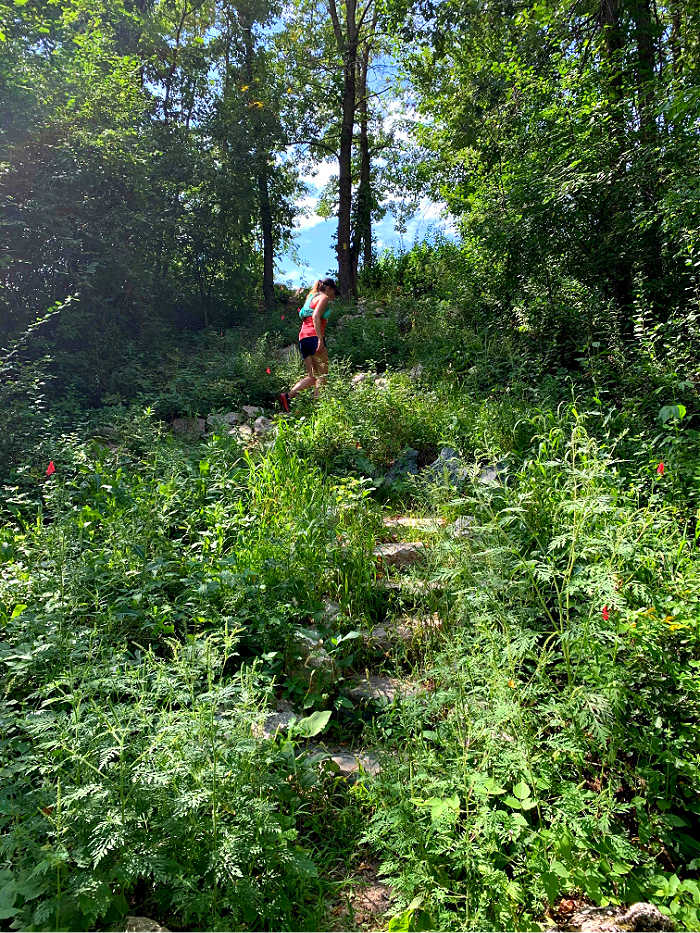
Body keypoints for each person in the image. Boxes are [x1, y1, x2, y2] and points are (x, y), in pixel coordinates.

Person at [279, 278, 337, 411]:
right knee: (323, 375)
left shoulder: (310, 296)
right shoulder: (323, 297)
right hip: (313, 337)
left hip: (303, 338)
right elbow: (316, 316)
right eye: (334, 291)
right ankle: (318, 410)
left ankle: (287, 396)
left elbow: (306, 316)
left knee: (312, 377)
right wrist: (320, 339)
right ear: (328, 288)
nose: (334, 295)